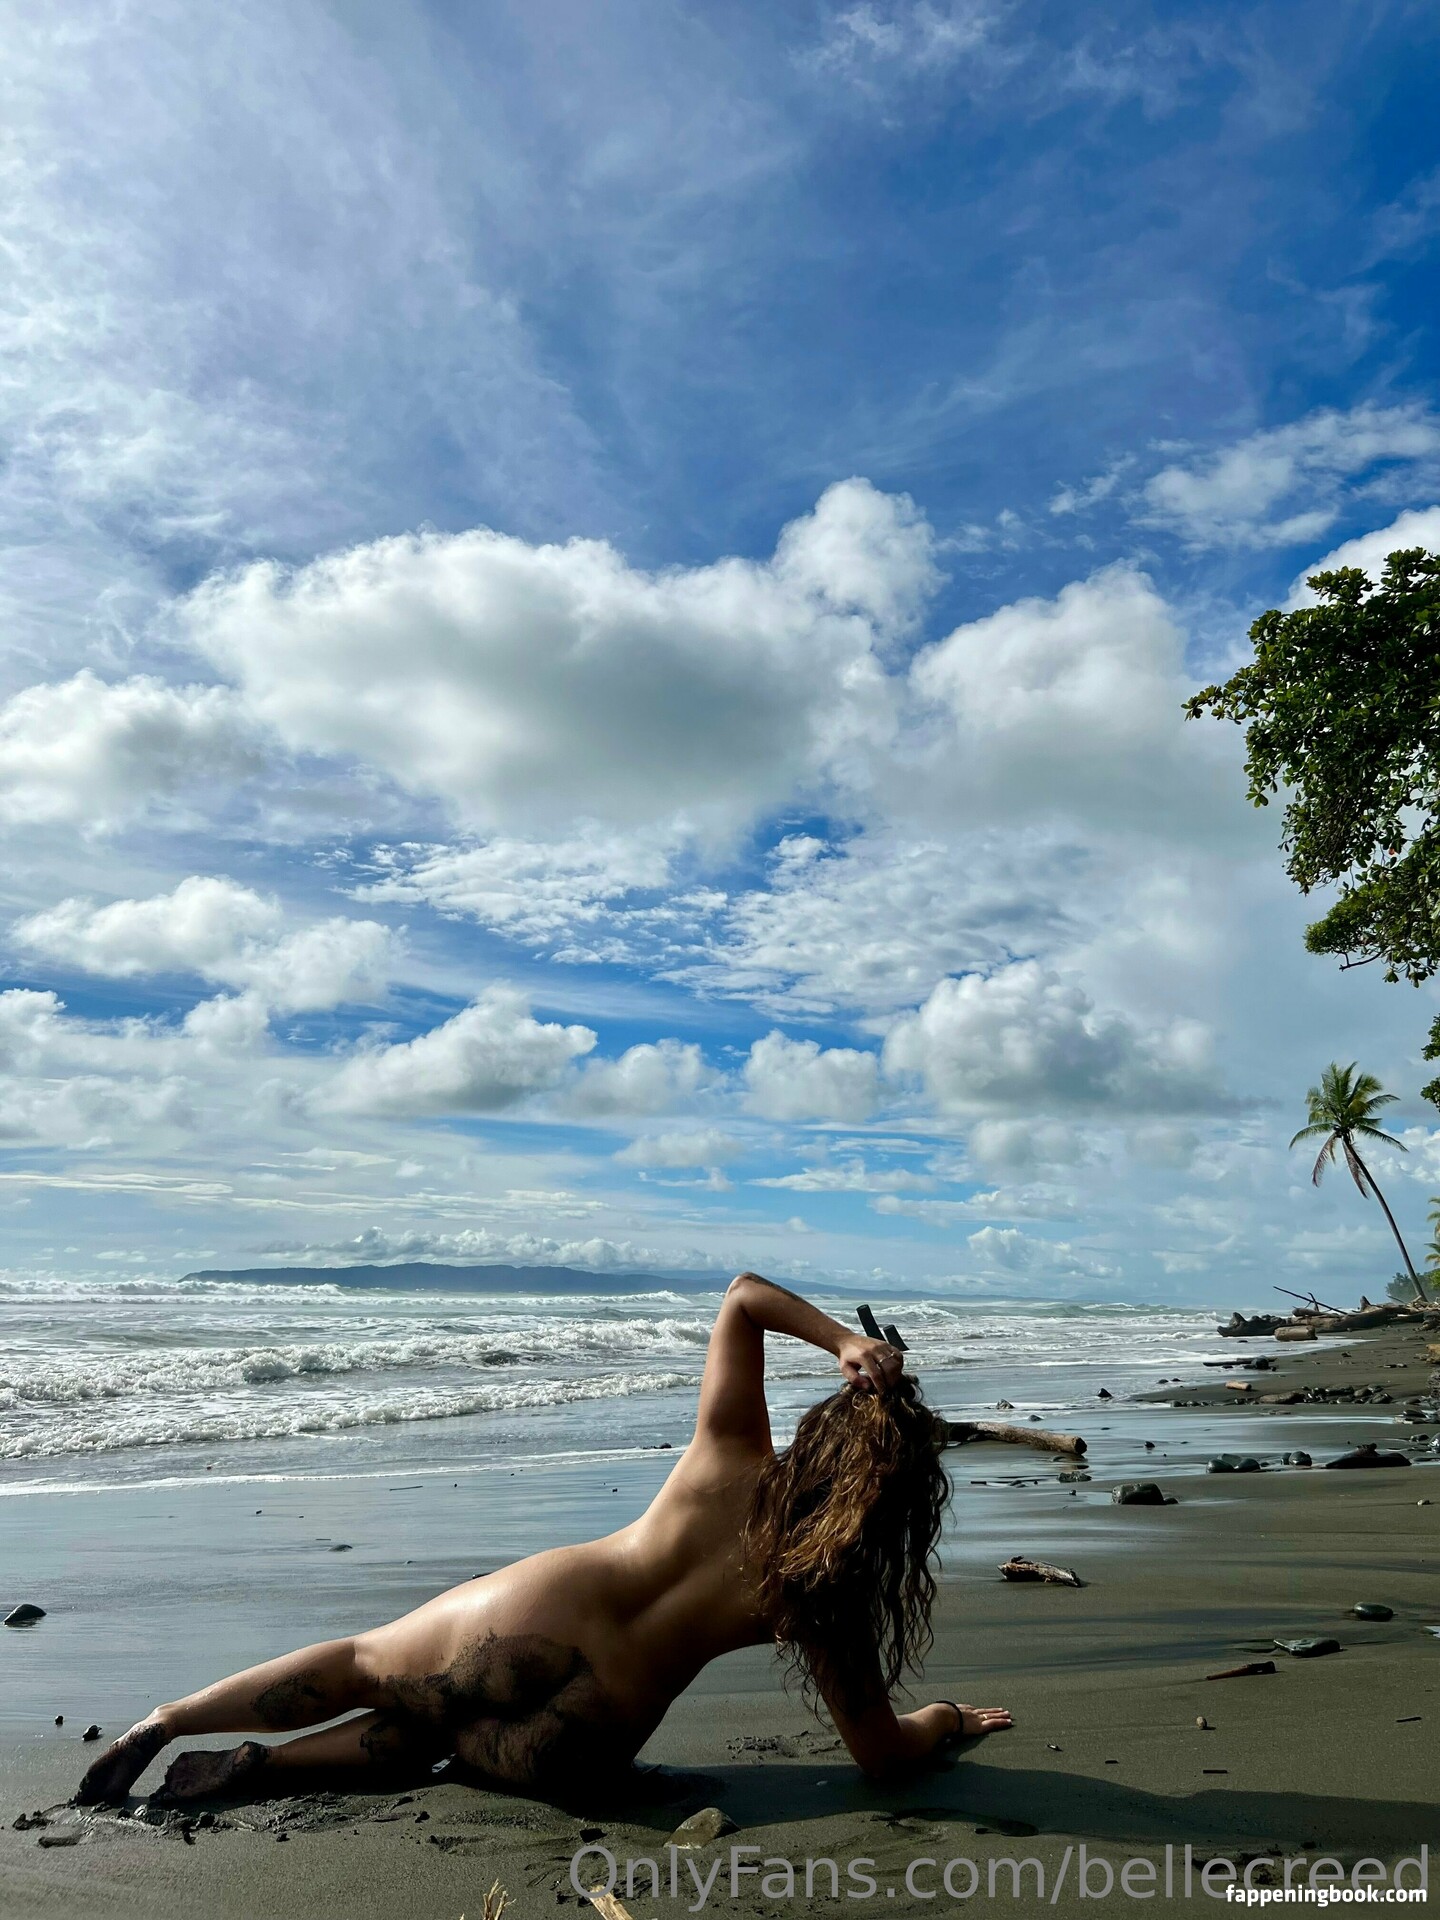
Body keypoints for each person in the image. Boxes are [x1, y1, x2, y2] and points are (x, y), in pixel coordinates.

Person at [75, 1273, 1012, 1809]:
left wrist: (844, 1341)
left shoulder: (731, 1457)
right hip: (580, 1742)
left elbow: (741, 1299)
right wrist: (947, 1720)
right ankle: (269, 1768)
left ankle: (167, 1722)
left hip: (537, 1613)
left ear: (821, 1438)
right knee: (438, 1748)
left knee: (369, 1665)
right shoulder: (824, 1598)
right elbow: (881, 1754)